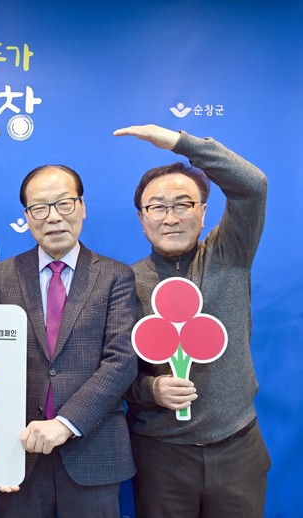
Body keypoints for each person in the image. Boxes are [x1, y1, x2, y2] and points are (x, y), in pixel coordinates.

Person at [117, 124, 271, 517]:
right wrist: (151, 389)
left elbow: (252, 186)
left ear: (202, 213)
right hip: (161, 455)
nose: (170, 218)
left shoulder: (229, 254)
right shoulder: (123, 283)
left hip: (237, 448)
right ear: (141, 219)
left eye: (182, 204)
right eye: (157, 207)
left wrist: (181, 143)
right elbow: (112, 371)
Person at [0, 164, 138, 517]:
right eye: (39, 207)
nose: (53, 217)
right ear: (27, 216)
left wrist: (65, 423)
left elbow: (122, 360)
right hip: (17, 454)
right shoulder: (0, 277)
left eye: (64, 204)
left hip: (93, 452)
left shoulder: (115, 276)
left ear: (82, 207)